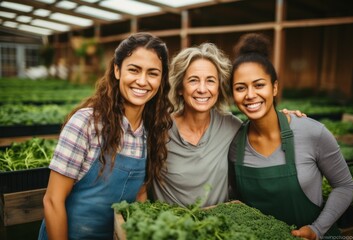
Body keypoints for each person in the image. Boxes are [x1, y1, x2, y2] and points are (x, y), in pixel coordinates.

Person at [38, 32, 173, 240]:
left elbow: (139, 196)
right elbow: (53, 201)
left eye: (153, 73)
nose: (142, 81)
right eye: (134, 70)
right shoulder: (87, 123)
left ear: (161, 79)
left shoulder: (151, 131)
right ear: (117, 70)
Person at [228, 33, 353, 239]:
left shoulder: (311, 132)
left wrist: (317, 229)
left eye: (259, 85)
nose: (250, 94)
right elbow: (238, 197)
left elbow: (344, 186)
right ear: (233, 95)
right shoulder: (236, 145)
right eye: (240, 88)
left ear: (275, 87)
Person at [151, 42, 302, 208]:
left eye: (210, 81)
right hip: (166, 228)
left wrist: (285, 118)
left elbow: (265, 133)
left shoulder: (231, 127)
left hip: (216, 229)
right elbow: (140, 189)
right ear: (180, 87)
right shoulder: (159, 129)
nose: (202, 89)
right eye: (193, 80)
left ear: (219, 87)